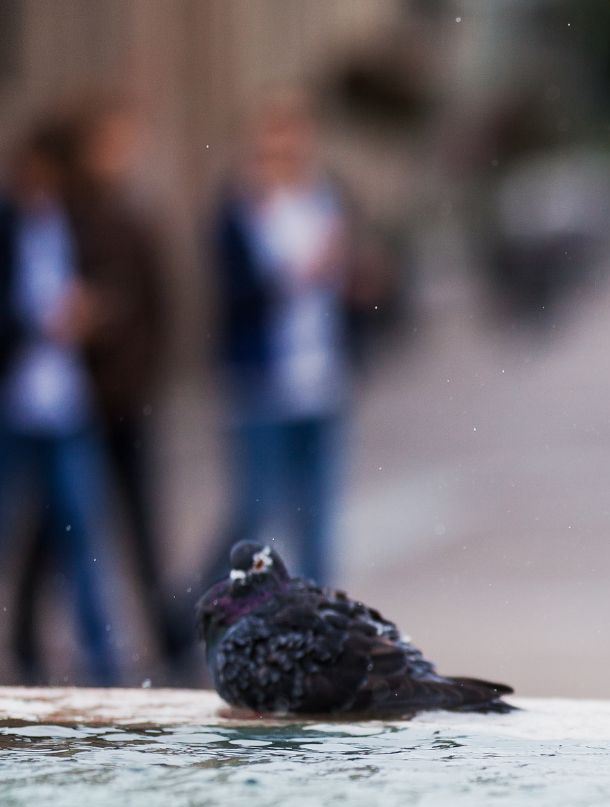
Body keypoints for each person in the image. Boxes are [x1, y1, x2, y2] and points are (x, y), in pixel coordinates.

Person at [10, 97, 182, 679]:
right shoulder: (47, 222)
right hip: (52, 407)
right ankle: (51, 647)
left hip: (99, 403)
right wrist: (50, 322)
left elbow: (149, 309)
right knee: (54, 533)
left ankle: (120, 651)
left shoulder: (114, 218)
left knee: (95, 531)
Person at [208, 92, 357, 588]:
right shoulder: (241, 212)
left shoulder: (324, 201)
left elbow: (348, 288)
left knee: (315, 514)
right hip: (262, 378)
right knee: (254, 511)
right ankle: (205, 608)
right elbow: (234, 294)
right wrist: (293, 273)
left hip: (320, 374)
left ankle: (319, 622)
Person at [0, 119, 118, 686]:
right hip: (14, 406)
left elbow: (118, 287)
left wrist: (89, 314)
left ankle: (102, 662)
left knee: (81, 533)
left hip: (69, 407)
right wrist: (37, 322)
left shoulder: (79, 223)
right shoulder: (8, 228)